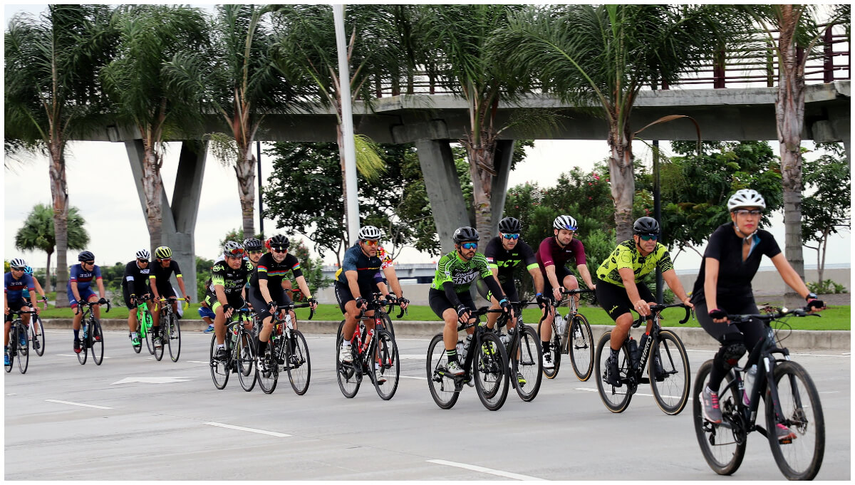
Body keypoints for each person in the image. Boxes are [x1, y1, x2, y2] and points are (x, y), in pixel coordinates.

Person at [694, 189, 824, 441]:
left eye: (755, 213)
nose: (750, 218)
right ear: (734, 216)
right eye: (744, 213)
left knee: (764, 352)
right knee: (734, 345)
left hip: (743, 301)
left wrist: (809, 296)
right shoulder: (721, 236)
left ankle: (775, 421)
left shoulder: (764, 238)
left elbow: (786, 270)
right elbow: (710, 276)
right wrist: (713, 308)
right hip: (710, 301)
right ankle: (709, 390)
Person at [595, 217, 693, 387]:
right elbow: (627, 280)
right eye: (646, 237)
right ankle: (612, 361)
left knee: (654, 311)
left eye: (654, 236)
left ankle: (649, 354)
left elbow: (671, 278)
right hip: (609, 285)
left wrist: (684, 299)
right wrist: (637, 301)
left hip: (634, 283)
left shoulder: (660, 251)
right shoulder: (625, 250)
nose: (650, 241)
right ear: (636, 238)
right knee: (625, 320)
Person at [428, 226, 512, 376]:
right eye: (467, 245)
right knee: (452, 318)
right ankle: (452, 361)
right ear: (457, 247)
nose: (471, 249)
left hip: (463, 294)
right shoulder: (447, 261)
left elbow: (491, 282)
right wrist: (458, 307)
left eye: (474, 245)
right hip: (441, 295)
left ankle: (469, 361)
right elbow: (448, 288)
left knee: (474, 328)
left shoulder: (479, 260)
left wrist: (503, 300)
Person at [335, 226, 409, 375]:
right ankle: (346, 346)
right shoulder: (352, 254)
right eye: (369, 243)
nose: (374, 245)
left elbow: (391, 277)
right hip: (346, 286)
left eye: (376, 242)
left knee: (373, 325)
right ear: (361, 243)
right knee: (355, 313)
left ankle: (375, 367)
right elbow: (351, 279)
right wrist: (358, 299)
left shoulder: (382, 254)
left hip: (365, 287)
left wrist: (399, 297)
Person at [483, 217, 546, 383]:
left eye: (515, 236)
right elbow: (492, 276)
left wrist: (539, 295)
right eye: (508, 236)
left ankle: (515, 369)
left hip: (508, 282)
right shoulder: (493, 246)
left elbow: (537, 273)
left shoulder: (523, 248)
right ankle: (487, 332)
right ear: (500, 235)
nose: (512, 240)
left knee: (514, 323)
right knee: (498, 303)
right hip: (487, 281)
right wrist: (503, 299)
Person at [248, 234, 318, 371]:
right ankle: (260, 356)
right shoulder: (264, 261)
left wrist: (309, 297)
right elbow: (262, 286)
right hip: (258, 293)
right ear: (271, 250)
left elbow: (300, 280)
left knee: (290, 313)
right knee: (269, 322)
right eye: (277, 250)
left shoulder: (291, 260)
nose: (280, 253)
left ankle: (292, 351)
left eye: (284, 250)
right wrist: (269, 302)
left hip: (277, 290)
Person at [536, 215, 597, 369]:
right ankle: (545, 352)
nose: (568, 236)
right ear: (556, 231)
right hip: (543, 275)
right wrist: (556, 287)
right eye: (564, 233)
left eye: (571, 233)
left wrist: (590, 284)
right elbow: (550, 271)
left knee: (573, 283)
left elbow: (582, 266)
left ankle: (573, 318)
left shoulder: (576, 245)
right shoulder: (547, 244)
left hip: (559, 270)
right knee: (548, 314)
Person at [208, 241, 254, 361]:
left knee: (248, 324)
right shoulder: (219, 266)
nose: (237, 261)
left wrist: (256, 302)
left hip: (235, 297)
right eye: (233, 258)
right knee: (221, 312)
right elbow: (219, 289)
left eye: (239, 258)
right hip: (216, 296)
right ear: (226, 257)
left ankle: (240, 349)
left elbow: (255, 286)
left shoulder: (246, 265)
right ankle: (220, 347)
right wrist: (225, 305)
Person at [148, 246, 190, 347]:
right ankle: (157, 335)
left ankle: (171, 324)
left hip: (166, 285)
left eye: (169, 259)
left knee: (174, 302)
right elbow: (152, 283)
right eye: (166, 260)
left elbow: (179, 279)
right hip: (154, 286)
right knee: (157, 308)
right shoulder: (153, 265)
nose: (168, 262)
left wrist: (184, 294)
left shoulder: (173, 264)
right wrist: (157, 296)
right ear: (159, 260)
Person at [68, 250, 108, 353]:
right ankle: (76, 339)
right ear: (82, 263)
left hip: (86, 290)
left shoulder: (96, 268)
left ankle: (95, 330)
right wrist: (78, 300)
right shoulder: (75, 269)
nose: (92, 265)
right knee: (79, 313)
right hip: (74, 292)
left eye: (93, 262)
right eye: (90, 263)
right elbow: (73, 286)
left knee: (96, 304)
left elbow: (100, 283)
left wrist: (102, 297)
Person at [5, 258, 40, 365]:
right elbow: (3, 295)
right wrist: (5, 307)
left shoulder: (26, 277)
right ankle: (4, 352)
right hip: (6, 301)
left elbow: (32, 292)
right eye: (18, 269)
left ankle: (21, 332)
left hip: (18, 301)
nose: (21, 271)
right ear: (12, 269)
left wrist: (35, 307)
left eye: (22, 269)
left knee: (27, 311)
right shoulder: (6, 277)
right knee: (7, 326)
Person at [122, 249, 153, 347]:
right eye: (142, 261)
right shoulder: (131, 266)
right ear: (137, 260)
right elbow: (130, 282)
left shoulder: (150, 266)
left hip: (141, 286)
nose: (144, 263)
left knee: (150, 300)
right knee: (133, 310)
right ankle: (133, 334)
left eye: (146, 261)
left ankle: (147, 316)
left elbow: (152, 281)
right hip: (129, 288)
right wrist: (132, 295)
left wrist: (150, 292)